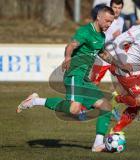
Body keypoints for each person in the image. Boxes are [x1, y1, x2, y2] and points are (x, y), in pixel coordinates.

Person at [16, 6, 127, 152]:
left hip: (85, 80)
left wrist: (119, 65)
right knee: (74, 109)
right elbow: (72, 45)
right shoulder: (85, 31)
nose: (108, 24)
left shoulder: (101, 36)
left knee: (105, 106)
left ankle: (98, 144)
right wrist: (68, 57)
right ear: (98, 17)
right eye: (107, 21)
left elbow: (103, 53)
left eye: (111, 22)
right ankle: (35, 101)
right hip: (75, 74)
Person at [91, 0, 124, 86]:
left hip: (114, 58)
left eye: (119, 8)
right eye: (115, 7)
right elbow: (97, 40)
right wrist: (112, 36)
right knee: (94, 83)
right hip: (102, 57)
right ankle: (83, 98)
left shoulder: (121, 20)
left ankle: (117, 97)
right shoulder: (104, 20)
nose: (117, 10)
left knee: (122, 79)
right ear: (110, 7)